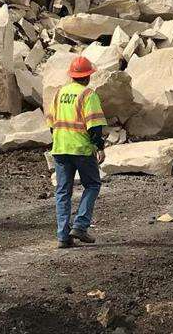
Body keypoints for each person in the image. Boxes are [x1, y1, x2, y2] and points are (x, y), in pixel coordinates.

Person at [48, 56, 107, 249]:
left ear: (72, 76)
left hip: (60, 148)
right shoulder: (88, 95)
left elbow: (51, 124)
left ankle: (63, 236)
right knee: (92, 184)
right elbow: (94, 128)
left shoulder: (59, 93)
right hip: (81, 149)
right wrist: (99, 147)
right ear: (88, 76)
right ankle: (80, 225)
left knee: (63, 191)